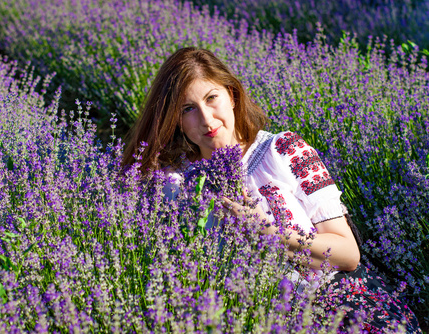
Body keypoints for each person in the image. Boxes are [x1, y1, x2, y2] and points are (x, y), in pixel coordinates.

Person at [122, 47, 422, 332]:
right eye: (188, 108)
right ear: (176, 120)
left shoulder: (283, 150)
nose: (206, 119)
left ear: (232, 95)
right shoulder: (175, 184)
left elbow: (348, 254)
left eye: (212, 98)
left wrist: (270, 234)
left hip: (337, 303)